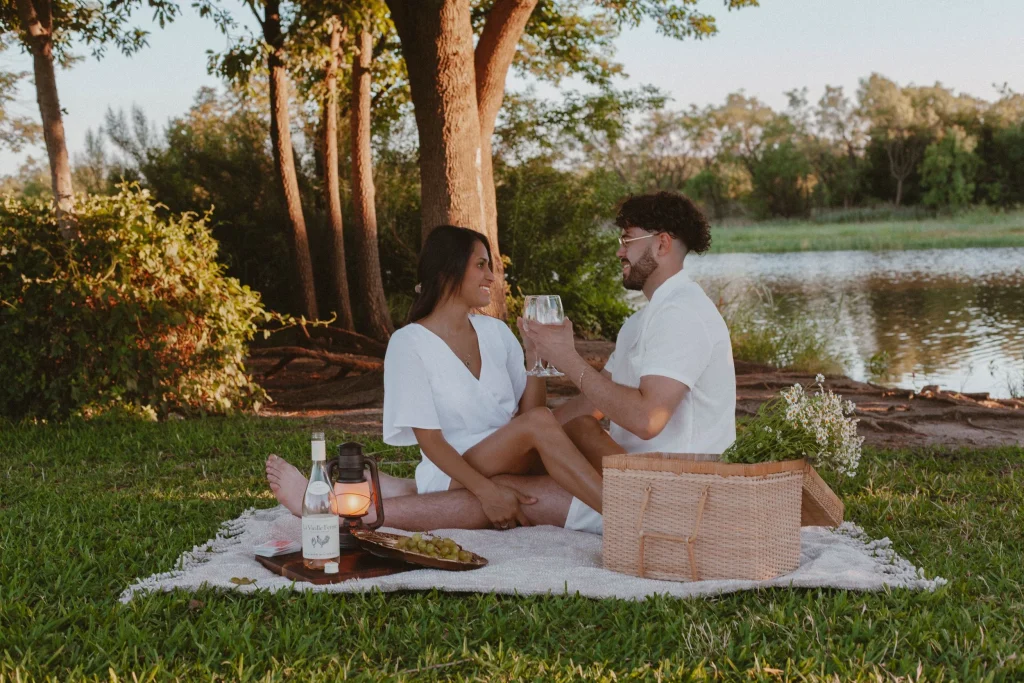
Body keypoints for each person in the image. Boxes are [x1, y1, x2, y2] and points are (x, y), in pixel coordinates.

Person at [267, 225, 604, 531]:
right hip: (452, 467)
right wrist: (486, 491)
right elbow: (431, 441)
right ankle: (619, 514)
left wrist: (534, 359)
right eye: (481, 265)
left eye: (491, 267)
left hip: (510, 455)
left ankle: (634, 493)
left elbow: (530, 410)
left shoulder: (497, 332)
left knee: (571, 422)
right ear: (447, 271)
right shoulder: (409, 343)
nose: (491, 277)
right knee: (541, 423)